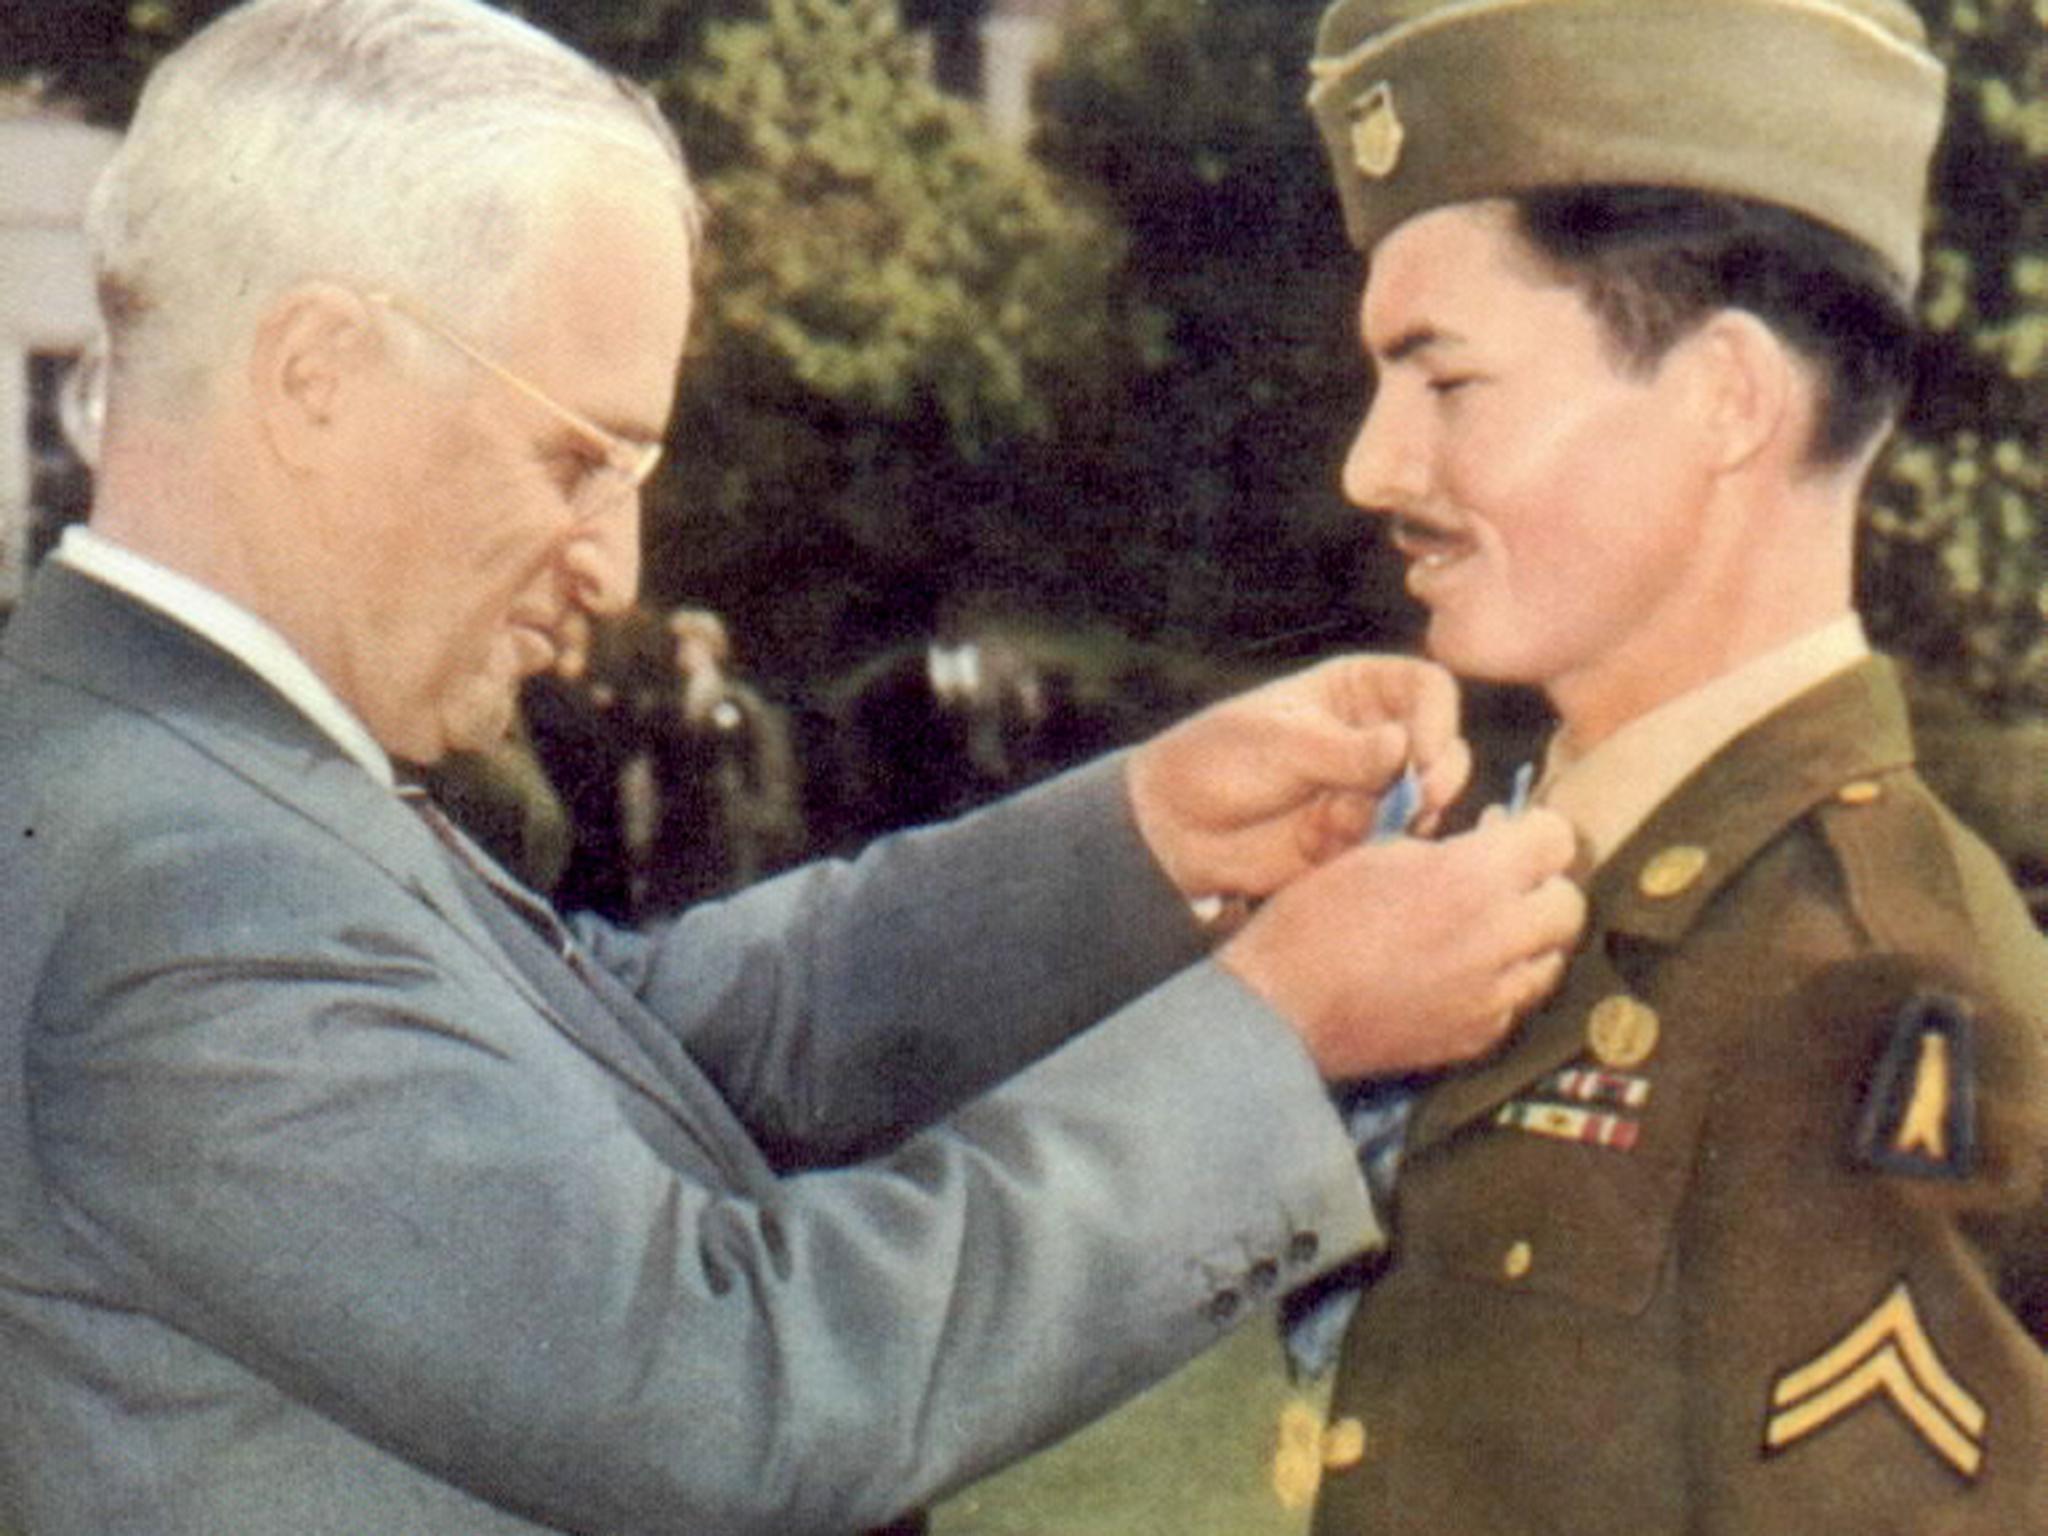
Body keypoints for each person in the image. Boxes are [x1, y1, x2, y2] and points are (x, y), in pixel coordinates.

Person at [0, 2, 1587, 1532]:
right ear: (316, 378)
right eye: (576, 459)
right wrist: (1278, 1032)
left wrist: (1146, 836)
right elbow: (731, 1387)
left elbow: (655, 1041)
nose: (612, 570)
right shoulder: (179, 878)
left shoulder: (184, 771)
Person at [1290, 0, 2048, 1531]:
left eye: (1447, 383)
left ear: (1726, 402)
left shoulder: (1861, 990)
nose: (1371, 466)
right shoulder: (1578, 889)